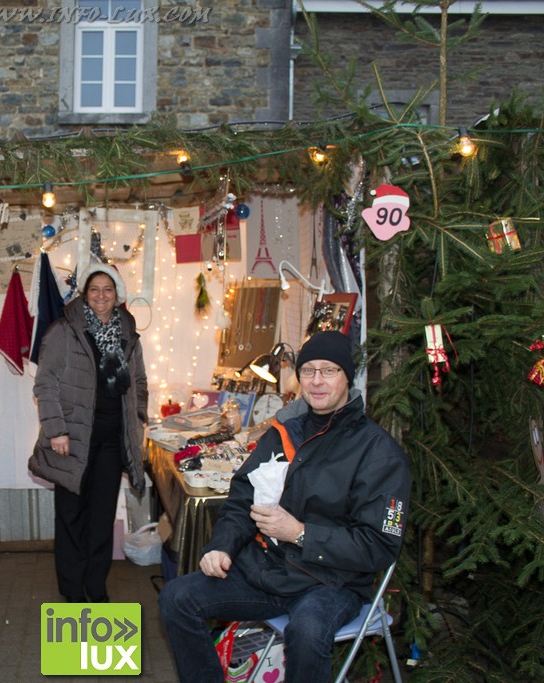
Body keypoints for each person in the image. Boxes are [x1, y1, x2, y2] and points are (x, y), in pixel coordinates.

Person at [159, 330, 411, 681]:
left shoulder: (379, 453)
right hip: (269, 571)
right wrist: (221, 546)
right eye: (308, 371)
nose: (317, 381)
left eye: (329, 371)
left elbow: (381, 546)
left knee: (307, 632)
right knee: (177, 597)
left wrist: (302, 534)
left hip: (331, 583)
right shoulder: (284, 432)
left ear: (347, 377)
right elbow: (241, 497)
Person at [29, 262, 148, 603]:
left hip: (112, 442)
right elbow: (45, 384)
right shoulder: (63, 331)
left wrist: (138, 416)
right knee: (71, 520)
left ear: (117, 295)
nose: (101, 296)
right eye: (94, 290)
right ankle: (72, 593)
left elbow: (138, 382)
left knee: (101, 520)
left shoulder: (128, 330)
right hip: (72, 443)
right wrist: (56, 431)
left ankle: (96, 588)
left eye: (107, 290)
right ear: (85, 294)